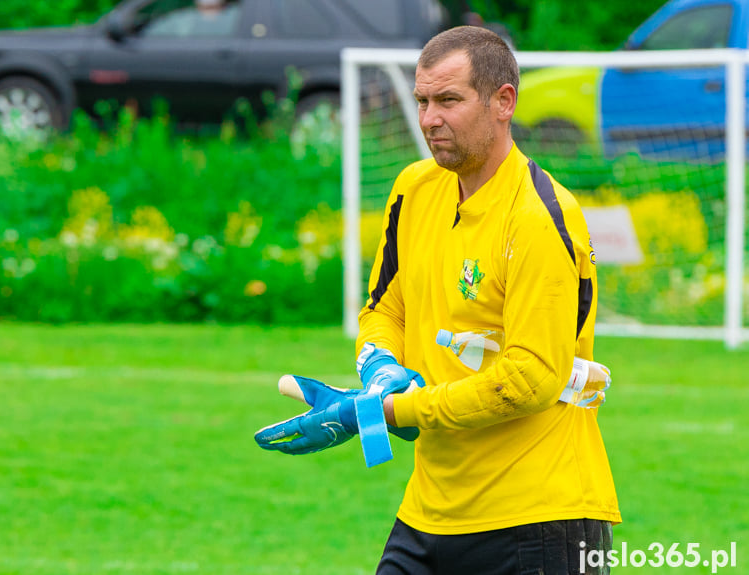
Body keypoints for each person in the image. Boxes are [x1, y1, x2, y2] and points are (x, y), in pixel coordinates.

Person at [255, 25, 620, 574]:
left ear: (504, 102)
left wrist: (382, 412)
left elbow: (530, 378)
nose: (429, 118)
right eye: (424, 100)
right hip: (429, 512)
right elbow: (385, 307)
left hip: (541, 518)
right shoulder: (414, 189)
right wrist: (379, 368)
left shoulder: (539, 217)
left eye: (449, 100)